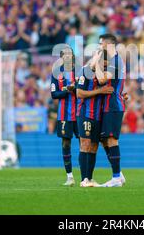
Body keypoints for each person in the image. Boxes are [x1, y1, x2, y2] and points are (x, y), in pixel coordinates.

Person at [76, 53, 114, 187]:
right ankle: (83, 179)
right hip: (85, 114)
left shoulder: (103, 75)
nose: (105, 66)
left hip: (98, 116)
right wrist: (99, 91)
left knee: (93, 147)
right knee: (85, 144)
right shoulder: (85, 71)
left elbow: (108, 91)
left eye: (107, 64)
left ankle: (90, 179)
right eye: (104, 63)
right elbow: (79, 93)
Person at [95, 34, 126, 187]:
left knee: (112, 139)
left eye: (101, 44)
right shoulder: (113, 61)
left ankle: (116, 178)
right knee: (104, 139)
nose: (99, 47)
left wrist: (95, 64)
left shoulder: (116, 61)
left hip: (113, 105)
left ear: (108, 45)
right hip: (109, 104)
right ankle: (118, 173)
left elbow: (102, 80)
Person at [51, 46, 79, 186]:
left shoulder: (80, 72)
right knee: (66, 143)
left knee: (84, 143)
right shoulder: (57, 74)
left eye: (70, 54)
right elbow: (54, 94)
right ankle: (70, 176)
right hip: (64, 115)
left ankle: (86, 176)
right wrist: (68, 90)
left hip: (80, 113)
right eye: (65, 55)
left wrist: (76, 89)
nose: (67, 56)